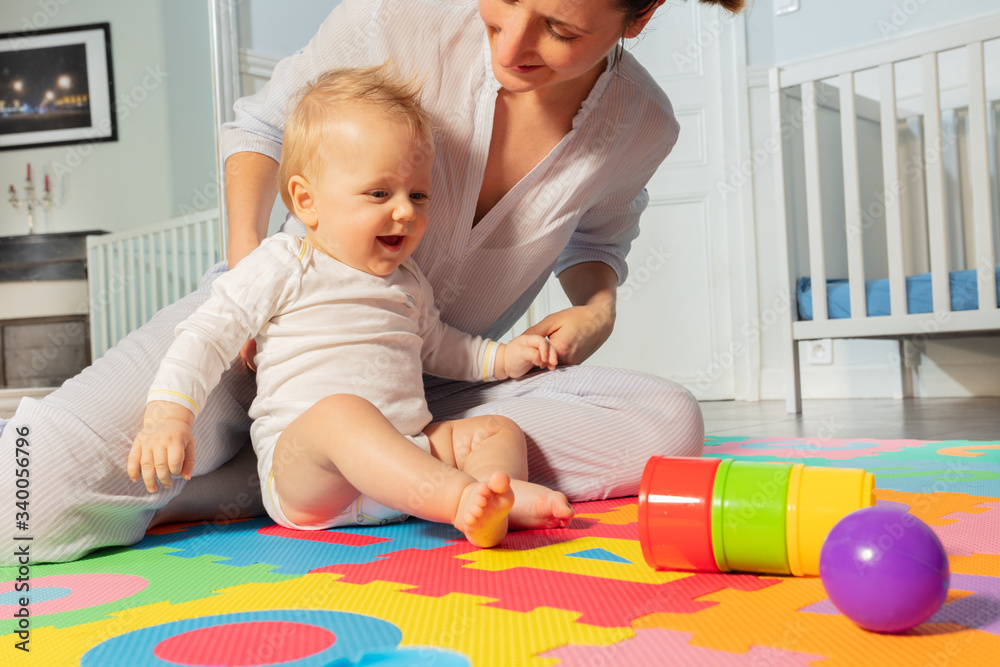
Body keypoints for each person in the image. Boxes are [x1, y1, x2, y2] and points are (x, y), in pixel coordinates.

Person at [0, 0, 744, 566]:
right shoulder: (403, 14)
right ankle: (276, 473)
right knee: (23, 502)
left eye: (558, 28)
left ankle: (294, 475)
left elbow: (600, 242)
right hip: (271, 332)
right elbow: (263, 130)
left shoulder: (642, 125)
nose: (513, 42)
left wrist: (594, 310)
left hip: (425, 379)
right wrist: (252, 277)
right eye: (506, 0)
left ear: (638, 18)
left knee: (670, 422)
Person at [129, 66, 573, 548]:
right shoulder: (285, 262)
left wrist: (504, 358)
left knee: (494, 431)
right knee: (340, 414)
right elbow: (207, 334)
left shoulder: (409, 281)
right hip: (310, 478)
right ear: (307, 201)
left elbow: (440, 346)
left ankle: (496, 497)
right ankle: (459, 499)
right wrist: (168, 415)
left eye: (418, 195)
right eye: (380, 193)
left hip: (408, 461)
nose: (404, 211)